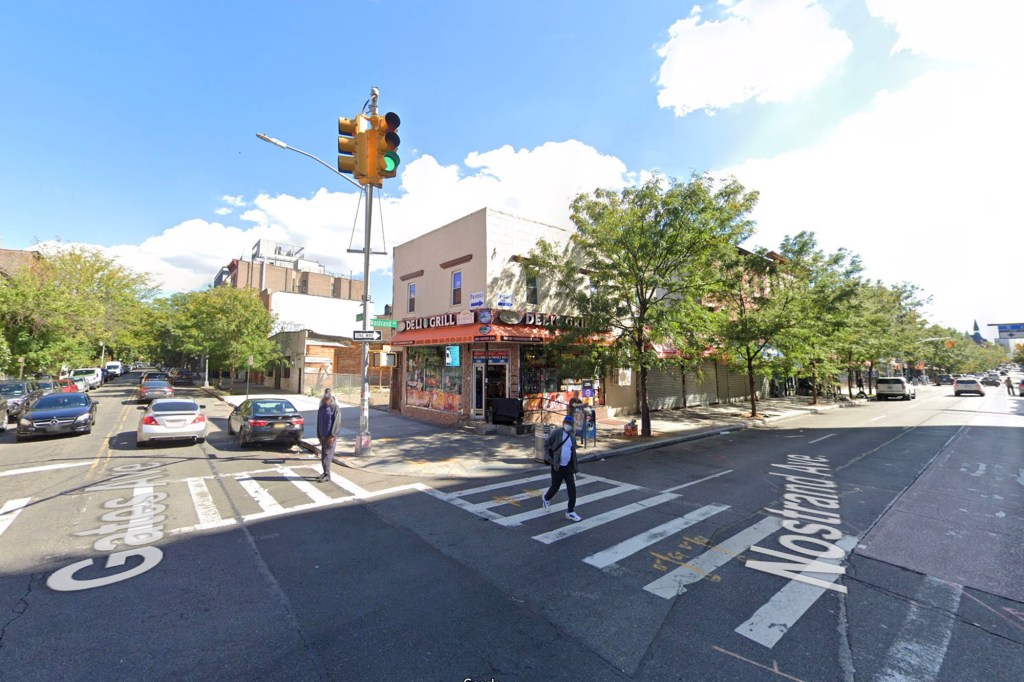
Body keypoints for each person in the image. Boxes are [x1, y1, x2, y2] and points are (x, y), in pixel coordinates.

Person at [542, 415, 582, 522]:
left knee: (572, 489)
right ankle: (546, 498)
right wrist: (549, 459)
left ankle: (570, 511)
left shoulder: (572, 437)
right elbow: (546, 444)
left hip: (568, 467)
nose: (568, 426)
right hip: (557, 466)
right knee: (555, 486)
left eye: (570, 424)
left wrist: (574, 470)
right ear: (563, 423)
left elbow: (573, 454)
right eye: (566, 423)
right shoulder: (557, 433)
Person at [316, 389, 342, 482]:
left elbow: (336, 423)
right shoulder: (322, 408)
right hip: (322, 436)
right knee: (323, 455)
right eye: (325, 399)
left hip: (330, 436)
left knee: (327, 455)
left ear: (331, 399)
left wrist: (333, 435)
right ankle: (325, 472)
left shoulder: (335, 408)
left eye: (328, 399)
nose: (326, 401)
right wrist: (318, 435)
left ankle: (327, 475)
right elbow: (318, 422)